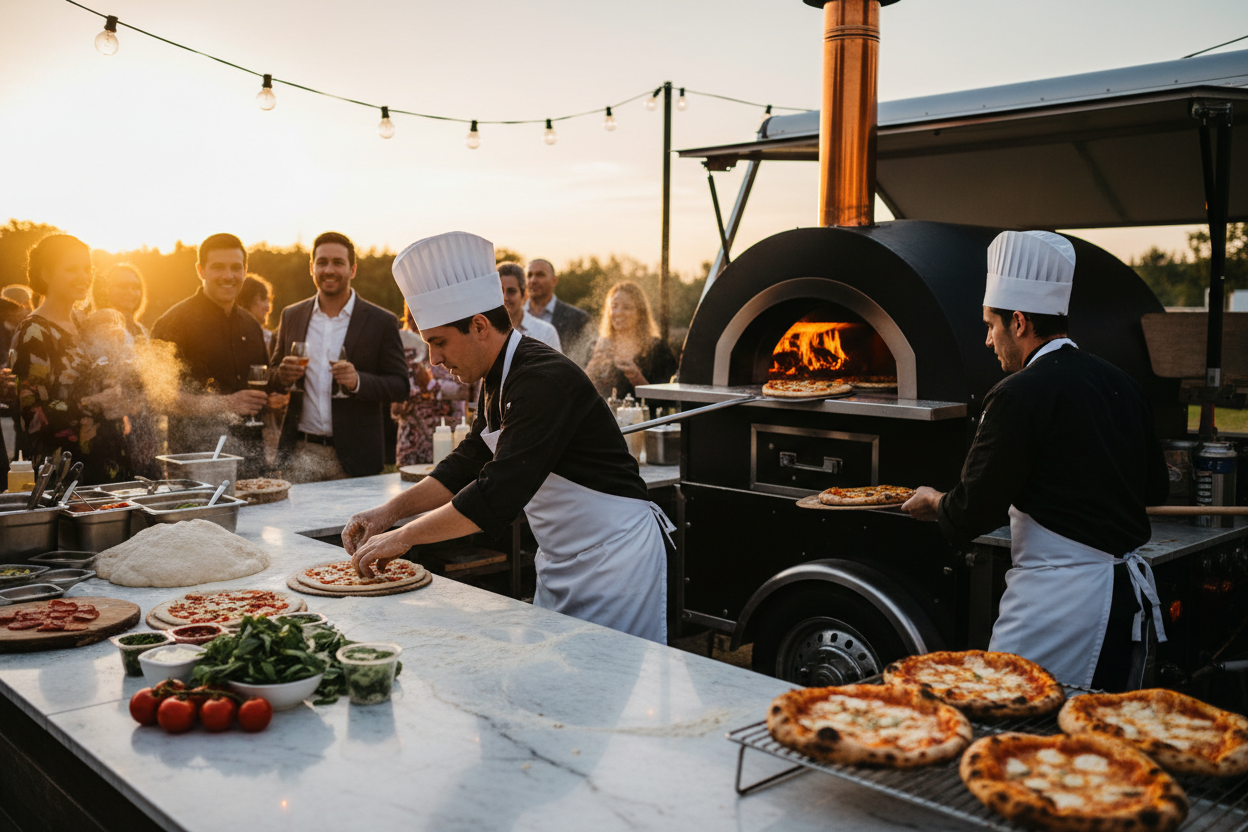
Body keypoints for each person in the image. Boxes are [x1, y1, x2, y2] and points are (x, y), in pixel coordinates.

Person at [343, 232, 671, 643]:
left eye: (439, 342)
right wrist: (388, 513)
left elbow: (496, 493)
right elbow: (469, 459)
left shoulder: (540, 379)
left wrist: (404, 536)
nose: (435, 359)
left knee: (603, 693)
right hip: (562, 560)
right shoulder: (500, 375)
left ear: (479, 325)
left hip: (614, 560)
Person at [901, 230, 1169, 691]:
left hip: (1059, 608)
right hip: (1123, 600)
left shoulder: (1017, 394)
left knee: (1017, 730)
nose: (988, 340)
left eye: (991, 325)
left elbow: (971, 511)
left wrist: (934, 501)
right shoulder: (1122, 383)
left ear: (1019, 322)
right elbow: (1155, 490)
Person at [271, 231, 407, 482]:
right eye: (322, 262)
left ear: (352, 269)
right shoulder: (292, 315)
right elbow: (272, 375)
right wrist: (281, 375)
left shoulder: (381, 321)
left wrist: (358, 381)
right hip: (301, 452)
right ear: (311, 267)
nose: (329, 269)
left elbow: (400, 386)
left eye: (338, 262)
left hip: (357, 456)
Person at [13, 234, 131, 484]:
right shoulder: (34, 332)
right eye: (71, 269)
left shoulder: (84, 321)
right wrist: (93, 403)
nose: (84, 277)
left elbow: (100, 376)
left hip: (107, 466)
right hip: (66, 474)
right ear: (46, 274)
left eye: (88, 268)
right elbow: (32, 416)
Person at [150, 233, 270, 477]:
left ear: (245, 270)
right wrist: (227, 403)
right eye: (218, 267)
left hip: (250, 462)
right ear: (200, 270)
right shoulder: (172, 323)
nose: (228, 276)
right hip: (195, 465)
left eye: (236, 268)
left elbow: (261, 387)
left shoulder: (251, 325)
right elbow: (160, 399)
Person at [391, 304, 476, 466]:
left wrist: (431, 385)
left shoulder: (455, 340)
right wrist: (398, 399)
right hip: (412, 441)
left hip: (449, 433)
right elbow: (396, 393)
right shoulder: (402, 344)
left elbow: (468, 389)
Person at [585, 281, 677, 400]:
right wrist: (591, 371)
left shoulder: (656, 348)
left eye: (627, 307)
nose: (618, 312)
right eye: (614, 306)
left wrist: (636, 377)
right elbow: (583, 395)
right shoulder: (595, 346)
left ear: (640, 313)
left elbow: (668, 401)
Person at [524, 258, 592, 365]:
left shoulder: (578, 318)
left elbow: (586, 360)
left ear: (554, 281)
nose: (533, 280)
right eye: (529, 275)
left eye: (540, 275)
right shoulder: (511, 316)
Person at [497, 262, 561, 351]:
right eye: (500, 291)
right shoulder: (483, 331)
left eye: (511, 291)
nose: (504, 297)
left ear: (524, 295)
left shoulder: (546, 332)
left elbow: (557, 365)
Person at [92, 263, 149, 341]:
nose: (130, 292)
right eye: (123, 286)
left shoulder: (143, 331)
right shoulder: (99, 328)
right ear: (105, 290)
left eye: (136, 287)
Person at [237, 274, 275, 352]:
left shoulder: (270, 339)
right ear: (247, 301)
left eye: (269, 301)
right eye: (263, 299)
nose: (268, 307)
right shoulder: (230, 336)